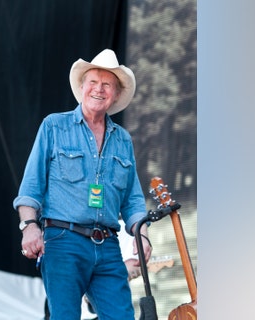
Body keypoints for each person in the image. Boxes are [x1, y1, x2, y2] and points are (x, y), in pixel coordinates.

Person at [13, 48, 152, 320]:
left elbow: (133, 200)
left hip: (108, 246)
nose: (99, 89)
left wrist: (142, 233)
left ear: (115, 94)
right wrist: (29, 227)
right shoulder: (54, 126)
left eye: (107, 85)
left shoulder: (123, 140)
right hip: (63, 241)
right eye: (93, 82)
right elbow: (30, 188)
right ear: (82, 87)